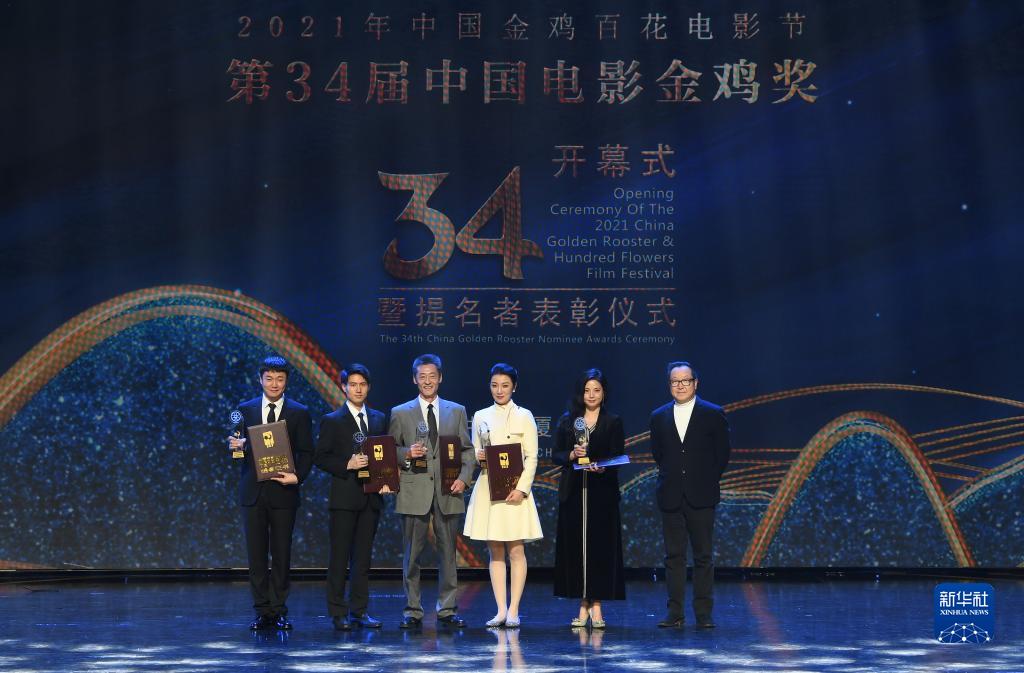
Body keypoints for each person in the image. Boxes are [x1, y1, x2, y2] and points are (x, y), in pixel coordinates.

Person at [228, 355, 314, 631]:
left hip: (283, 493)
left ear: (286, 381)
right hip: (253, 492)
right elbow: (239, 453)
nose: (274, 384)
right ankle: (262, 611)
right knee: (256, 556)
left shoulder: (299, 411)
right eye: (269, 378)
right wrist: (236, 447)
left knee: (281, 554)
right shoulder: (245, 409)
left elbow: (307, 452)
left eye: (280, 379)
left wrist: (297, 477)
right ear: (260, 379)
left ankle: (278, 610)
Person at [388, 354, 474, 629]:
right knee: (412, 555)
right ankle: (412, 610)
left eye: (432, 376)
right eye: (422, 377)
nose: (427, 381)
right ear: (415, 379)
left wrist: (464, 479)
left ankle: (447, 609)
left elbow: (467, 450)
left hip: (448, 490)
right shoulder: (400, 412)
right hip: (414, 490)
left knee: (448, 554)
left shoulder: (456, 411)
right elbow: (390, 450)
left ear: (441, 378)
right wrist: (406, 453)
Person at [649, 361, 731, 629]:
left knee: (703, 556)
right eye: (675, 381)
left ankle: (703, 614)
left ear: (696, 383)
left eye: (685, 380)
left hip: (702, 494)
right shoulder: (658, 416)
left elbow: (722, 455)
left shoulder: (713, 413)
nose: (680, 385)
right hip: (671, 494)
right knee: (673, 557)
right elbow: (658, 454)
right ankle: (675, 613)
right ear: (669, 385)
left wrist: (704, 479)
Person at [464, 363, 543, 629]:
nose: (499, 390)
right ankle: (500, 610)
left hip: (516, 490)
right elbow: (475, 452)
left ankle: (514, 610)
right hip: (490, 488)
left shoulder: (525, 416)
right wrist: (478, 456)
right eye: (495, 385)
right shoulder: (480, 416)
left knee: (516, 550)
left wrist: (522, 488)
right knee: (495, 550)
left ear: (514, 387)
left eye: (505, 385)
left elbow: (532, 457)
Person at [314, 364, 391, 631]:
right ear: (344, 387)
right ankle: (338, 612)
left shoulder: (379, 418)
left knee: (363, 560)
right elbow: (320, 457)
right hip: (344, 499)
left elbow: (384, 454)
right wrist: (347, 463)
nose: (358, 389)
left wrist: (386, 479)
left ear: (368, 387)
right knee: (339, 558)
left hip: (371, 498)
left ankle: (359, 611)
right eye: (353, 385)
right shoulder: (332, 420)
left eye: (363, 385)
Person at [552, 368, 626, 628]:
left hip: (602, 494)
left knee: (599, 550)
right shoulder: (568, 421)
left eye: (596, 390)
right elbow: (556, 454)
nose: (591, 395)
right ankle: (582, 603)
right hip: (573, 493)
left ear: (604, 393)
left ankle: (596, 605)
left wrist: (603, 466)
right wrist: (572, 455)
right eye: (587, 390)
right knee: (576, 550)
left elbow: (618, 455)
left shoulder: (613, 421)